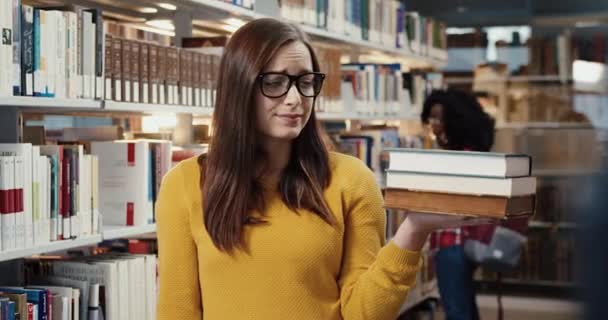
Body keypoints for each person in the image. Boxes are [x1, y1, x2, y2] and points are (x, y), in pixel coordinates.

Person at [156, 18, 478, 320]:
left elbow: (363, 313)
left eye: (306, 82)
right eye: (276, 82)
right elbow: (177, 310)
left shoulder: (351, 180)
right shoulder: (184, 185)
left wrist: (413, 231)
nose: (296, 98)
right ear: (240, 87)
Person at [421, 89, 497, 320]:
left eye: (438, 118)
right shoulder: (472, 154)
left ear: (453, 121)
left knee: (456, 311)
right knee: (465, 307)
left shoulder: (456, 159)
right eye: (431, 117)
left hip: (451, 243)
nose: (433, 124)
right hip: (466, 244)